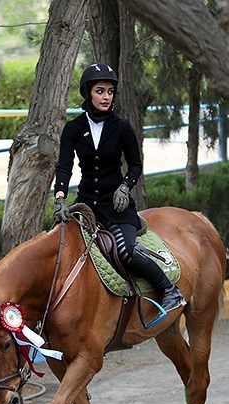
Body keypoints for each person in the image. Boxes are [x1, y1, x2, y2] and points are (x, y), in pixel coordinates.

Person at [52, 62, 185, 315]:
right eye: (100, 91)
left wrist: (125, 186)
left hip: (117, 207)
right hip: (86, 205)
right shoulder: (73, 129)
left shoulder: (122, 127)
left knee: (126, 251)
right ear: (88, 93)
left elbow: (135, 164)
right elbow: (64, 167)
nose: (106, 97)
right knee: (61, 246)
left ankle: (169, 290)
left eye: (110, 91)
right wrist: (60, 198)